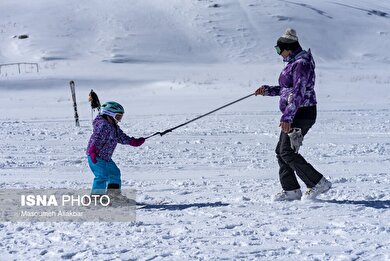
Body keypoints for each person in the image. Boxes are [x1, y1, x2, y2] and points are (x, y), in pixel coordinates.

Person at [255, 28, 331, 201]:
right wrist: (267, 90)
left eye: (278, 49)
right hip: (295, 111)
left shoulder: (301, 64)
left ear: (287, 48)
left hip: (302, 112)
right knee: (281, 151)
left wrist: (287, 117)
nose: (278, 53)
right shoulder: (293, 62)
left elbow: (298, 92)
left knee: (287, 152)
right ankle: (291, 191)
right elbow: (286, 89)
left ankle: (318, 182)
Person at [86, 101, 145, 198]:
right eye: (118, 116)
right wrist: (92, 151)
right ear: (109, 114)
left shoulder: (113, 126)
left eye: (120, 117)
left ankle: (113, 196)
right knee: (101, 176)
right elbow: (97, 138)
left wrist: (132, 141)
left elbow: (120, 137)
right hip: (95, 156)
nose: (119, 120)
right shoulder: (103, 125)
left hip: (105, 157)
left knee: (114, 173)